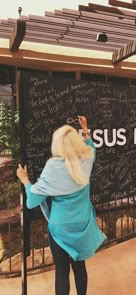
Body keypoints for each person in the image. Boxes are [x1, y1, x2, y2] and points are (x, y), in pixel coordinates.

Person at [16, 116, 106, 295]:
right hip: (82, 224)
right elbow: (92, 148)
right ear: (77, 142)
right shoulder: (86, 159)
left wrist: (24, 179)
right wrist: (85, 128)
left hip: (60, 230)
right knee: (80, 268)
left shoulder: (53, 166)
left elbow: (32, 201)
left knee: (62, 273)